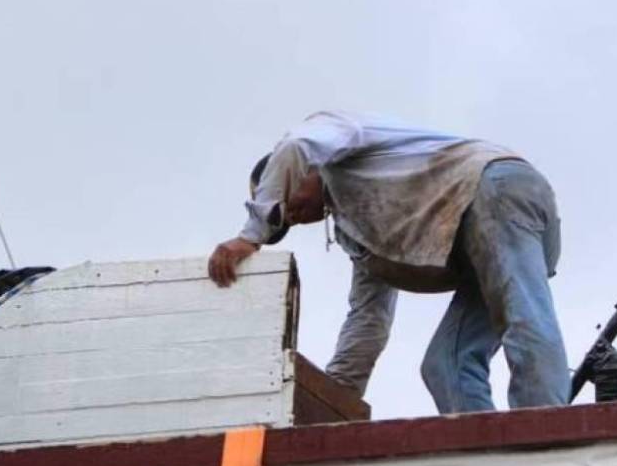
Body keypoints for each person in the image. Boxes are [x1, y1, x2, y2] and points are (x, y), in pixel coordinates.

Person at [208, 110, 568, 412]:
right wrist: (334, 400)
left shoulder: (333, 138)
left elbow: (295, 146)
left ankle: (545, 432)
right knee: (445, 365)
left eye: (284, 202)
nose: (291, 216)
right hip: (477, 246)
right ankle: (490, 454)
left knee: (522, 315)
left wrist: (252, 234)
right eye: (284, 220)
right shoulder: (361, 231)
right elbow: (369, 321)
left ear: (302, 169)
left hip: (495, 190)